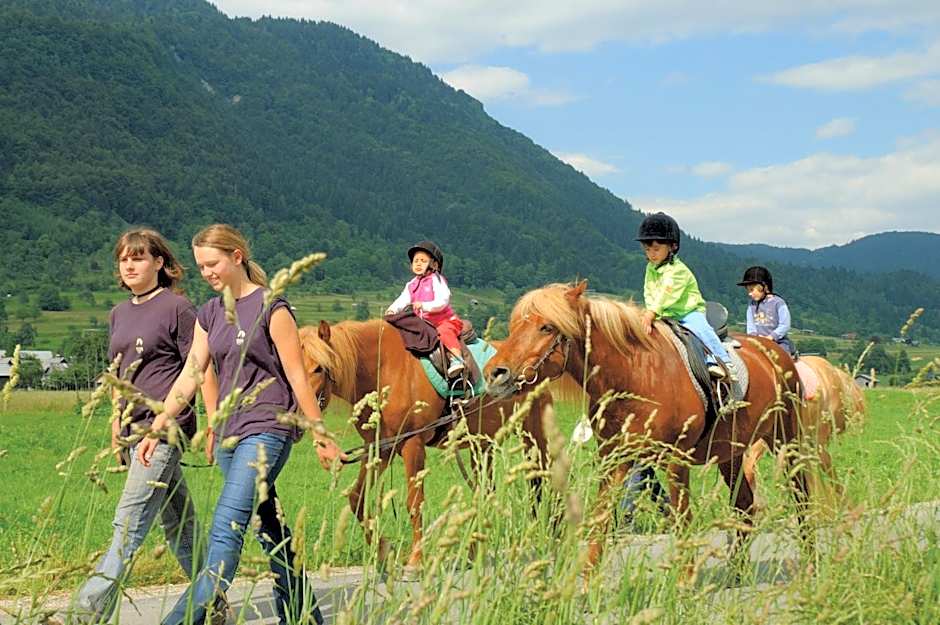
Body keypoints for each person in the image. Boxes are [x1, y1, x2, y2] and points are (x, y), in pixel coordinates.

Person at [136, 224, 344, 625]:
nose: (206, 273)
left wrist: (321, 435)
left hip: (267, 429)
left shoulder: (272, 307)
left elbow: (298, 376)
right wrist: (158, 423)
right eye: (200, 267)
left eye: (212, 263)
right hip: (231, 436)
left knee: (225, 534)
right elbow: (193, 371)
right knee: (271, 530)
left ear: (236, 257)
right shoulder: (209, 313)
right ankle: (305, 617)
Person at [69, 228, 213, 624]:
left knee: (128, 520)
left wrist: (210, 421)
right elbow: (118, 371)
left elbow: (199, 366)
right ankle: (212, 599)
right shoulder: (118, 312)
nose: (129, 265)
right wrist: (116, 421)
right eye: (123, 259)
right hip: (133, 429)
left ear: (160, 263)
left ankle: (86, 612)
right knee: (179, 525)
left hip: (165, 429)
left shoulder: (178, 308)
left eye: (138, 258)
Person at [636, 212, 735, 380]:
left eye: (656, 249)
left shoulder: (678, 270)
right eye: (647, 249)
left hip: (687, 312)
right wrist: (649, 310)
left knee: (700, 329)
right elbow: (649, 290)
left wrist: (652, 312)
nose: (651, 254)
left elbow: (666, 293)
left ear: (672, 247)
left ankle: (722, 361)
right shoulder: (650, 269)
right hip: (664, 313)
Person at [385, 240, 466, 377]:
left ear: (434, 264)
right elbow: (402, 300)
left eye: (423, 260)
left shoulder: (436, 280)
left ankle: (456, 359)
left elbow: (443, 300)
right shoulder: (411, 284)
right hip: (424, 324)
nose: (418, 263)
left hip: (444, 321)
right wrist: (392, 310)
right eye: (415, 261)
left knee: (444, 332)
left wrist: (425, 305)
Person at [737, 266, 795, 356]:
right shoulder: (751, 305)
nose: (749, 293)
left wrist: (770, 337)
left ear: (764, 287)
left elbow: (785, 325)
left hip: (778, 342)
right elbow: (750, 325)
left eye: (752, 290)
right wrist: (755, 336)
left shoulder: (779, 303)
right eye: (748, 290)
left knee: (782, 359)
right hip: (758, 341)